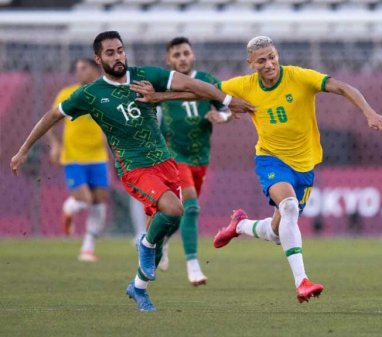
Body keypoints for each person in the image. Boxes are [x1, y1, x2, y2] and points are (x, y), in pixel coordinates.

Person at [131, 36, 382, 303]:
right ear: (251, 64)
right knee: (289, 207)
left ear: (277, 55)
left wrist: (369, 113)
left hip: (304, 165)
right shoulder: (244, 85)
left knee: (278, 233)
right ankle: (301, 281)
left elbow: (342, 87)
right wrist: (159, 97)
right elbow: (202, 91)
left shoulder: (299, 77)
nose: (269, 64)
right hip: (271, 160)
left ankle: (241, 226)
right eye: (261, 60)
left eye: (272, 57)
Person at [10, 31, 255, 312]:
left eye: (120, 50)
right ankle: (147, 245)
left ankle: (138, 287)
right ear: (98, 58)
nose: (117, 57)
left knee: (167, 228)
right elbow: (53, 115)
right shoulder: (90, 94)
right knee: (174, 210)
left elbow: (193, 85)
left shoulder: (146, 76)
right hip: (134, 167)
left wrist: (225, 101)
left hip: (165, 163)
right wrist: (24, 149)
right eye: (110, 53)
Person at [156, 36, 232, 286]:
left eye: (185, 53)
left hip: (201, 157)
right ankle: (193, 266)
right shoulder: (163, 84)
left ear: (193, 55)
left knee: (182, 213)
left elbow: (228, 106)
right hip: (174, 156)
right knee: (192, 207)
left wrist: (223, 117)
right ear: (169, 60)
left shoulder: (207, 81)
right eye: (176, 55)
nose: (182, 58)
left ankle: (162, 240)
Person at [47, 58, 108, 262]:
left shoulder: (105, 93)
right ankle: (69, 208)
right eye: (77, 69)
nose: (79, 72)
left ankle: (87, 249)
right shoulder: (67, 94)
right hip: (73, 156)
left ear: (95, 70)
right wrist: (55, 145)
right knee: (84, 200)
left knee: (99, 203)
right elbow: (50, 122)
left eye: (83, 68)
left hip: (98, 157)